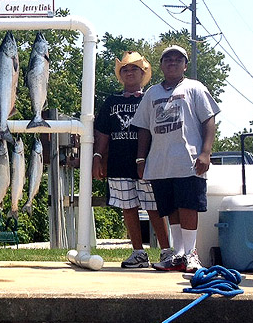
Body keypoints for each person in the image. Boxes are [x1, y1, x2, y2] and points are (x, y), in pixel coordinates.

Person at [131, 45, 220, 273]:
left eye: (177, 59)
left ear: (184, 65)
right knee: (171, 208)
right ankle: (178, 253)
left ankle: (191, 254)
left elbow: (208, 120)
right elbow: (143, 128)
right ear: (161, 65)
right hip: (161, 162)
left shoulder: (194, 88)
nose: (172, 62)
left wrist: (205, 152)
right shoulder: (152, 93)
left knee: (188, 205)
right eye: (167, 59)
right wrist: (141, 159)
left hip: (188, 160)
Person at [93, 51, 171, 268]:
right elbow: (103, 133)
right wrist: (98, 158)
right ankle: (138, 253)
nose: (129, 72)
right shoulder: (111, 101)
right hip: (118, 162)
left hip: (148, 162)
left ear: (143, 73)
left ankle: (166, 252)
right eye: (125, 69)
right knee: (128, 208)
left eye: (134, 69)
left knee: (154, 207)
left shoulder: (153, 98)